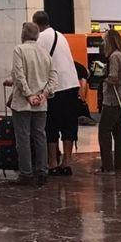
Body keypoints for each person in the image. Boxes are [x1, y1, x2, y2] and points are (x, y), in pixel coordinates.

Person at [7, 22, 57, 185]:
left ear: (24, 33)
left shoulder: (19, 50)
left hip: (23, 103)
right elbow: (53, 77)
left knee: (23, 138)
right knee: (40, 136)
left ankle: (26, 173)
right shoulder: (45, 53)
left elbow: (19, 75)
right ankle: (42, 171)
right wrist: (44, 94)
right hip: (41, 103)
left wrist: (29, 95)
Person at [33, 11, 82, 176]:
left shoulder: (40, 38)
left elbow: (37, 64)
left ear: (36, 24)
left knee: (51, 126)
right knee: (69, 125)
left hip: (56, 88)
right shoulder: (60, 36)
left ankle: (52, 162)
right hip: (72, 85)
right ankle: (67, 162)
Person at [96, 29, 121, 173]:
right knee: (119, 132)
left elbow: (113, 78)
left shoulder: (114, 56)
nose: (103, 43)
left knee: (104, 131)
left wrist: (102, 77)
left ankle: (108, 166)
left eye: (104, 40)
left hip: (112, 99)